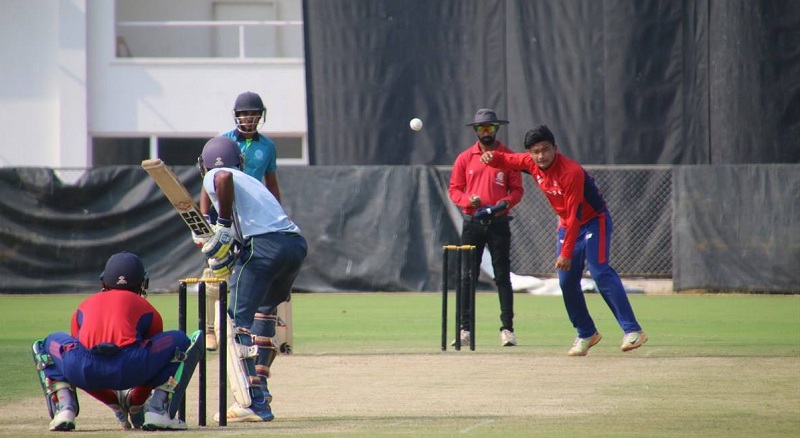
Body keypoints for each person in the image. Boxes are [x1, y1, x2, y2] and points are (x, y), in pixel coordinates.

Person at [480, 124, 648, 356]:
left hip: (593, 221)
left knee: (599, 271)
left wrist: (566, 253)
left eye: (545, 150)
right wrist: (492, 157)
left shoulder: (571, 172)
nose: (541, 156)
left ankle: (632, 330)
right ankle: (586, 332)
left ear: (555, 148)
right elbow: (508, 159)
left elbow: (575, 215)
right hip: (567, 224)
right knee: (567, 282)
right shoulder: (530, 162)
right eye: (536, 152)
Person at [196, 135, 307, 422]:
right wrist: (225, 247)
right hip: (293, 246)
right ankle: (261, 391)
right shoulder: (252, 183)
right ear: (240, 160)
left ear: (204, 165)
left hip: (264, 247)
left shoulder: (218, 175)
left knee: (234, 324)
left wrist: (221, 226)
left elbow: (222, 177)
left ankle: (252, 403)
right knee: (264, 314)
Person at [33, 252, 198, 431]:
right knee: (181, 341)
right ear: (143, 283)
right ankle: (156, 410)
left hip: (83, 370)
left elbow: (79, 346)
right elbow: (156, 359)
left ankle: (65, 408)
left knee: (47, 345)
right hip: (132, 368)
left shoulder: (85, 304)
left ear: (103, 282)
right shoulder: (146, 308)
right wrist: (138, 398)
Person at [198, 91, 282, 351]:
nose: (249, 118)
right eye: (244, 114)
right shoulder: (223, 142)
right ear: (236, 116)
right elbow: (209, 181)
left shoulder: (267, 146)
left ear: (261, 116)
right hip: (223, 212)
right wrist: (205, 216)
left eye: (253, 114)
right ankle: (209, 330)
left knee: (242, 269)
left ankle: (241, 326)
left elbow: (271, 183)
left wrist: (278, 213)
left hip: (251, 217)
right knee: (215, 268)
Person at [448, 108, 524, 347]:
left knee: (502, 276)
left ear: (497, 129)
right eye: (482, 128)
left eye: (490, 127)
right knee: (467, 277)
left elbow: (517, 190)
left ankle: (507, 329)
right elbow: (454, 190)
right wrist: (467, 200)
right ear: (476, 131)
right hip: (473, 223)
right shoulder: (465, 158)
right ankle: (465, 330)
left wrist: (505, 204)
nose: (486, 132)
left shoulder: (508, 157)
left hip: (498, 223)